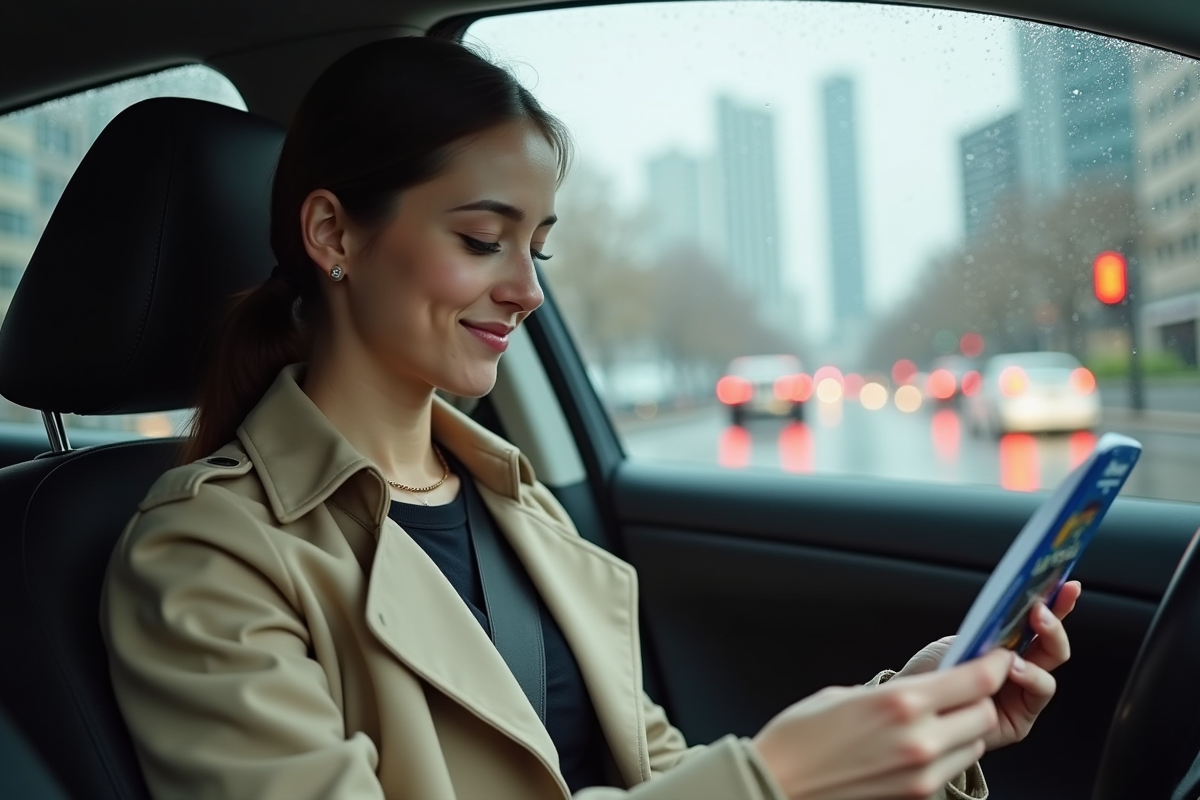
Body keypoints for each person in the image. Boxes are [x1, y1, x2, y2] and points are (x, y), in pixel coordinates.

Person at [100, 36, 1079, 800]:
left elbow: (660, 776)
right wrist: (776, 776)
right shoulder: (206, 553)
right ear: (332, 233)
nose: (526, 289)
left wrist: (908, 725)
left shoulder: (523, 508)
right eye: (482, 238)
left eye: (541, 249)